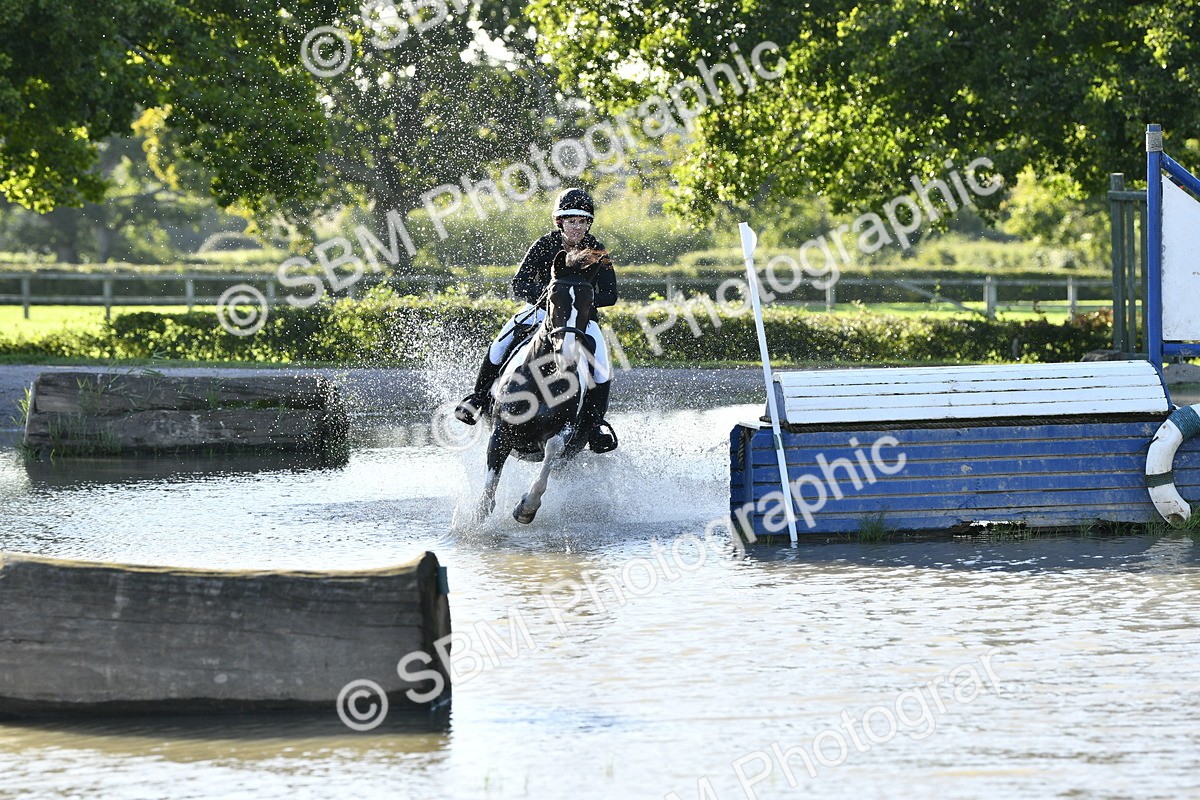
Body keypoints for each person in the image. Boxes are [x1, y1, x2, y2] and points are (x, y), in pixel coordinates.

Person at [454, 187, 618, 453]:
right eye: (570, 221)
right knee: (500, 344)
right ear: (559, 222)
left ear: (588, 223)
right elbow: (519, 283)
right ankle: (478, 398)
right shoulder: (544, 244)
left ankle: (596, 424)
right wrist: (551, 299)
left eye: (581, 221)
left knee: (601, 367)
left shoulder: (597, 250)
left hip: (580, 320)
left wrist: (578, 302)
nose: (576, 227)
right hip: (542, 312)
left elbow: (611, 294)